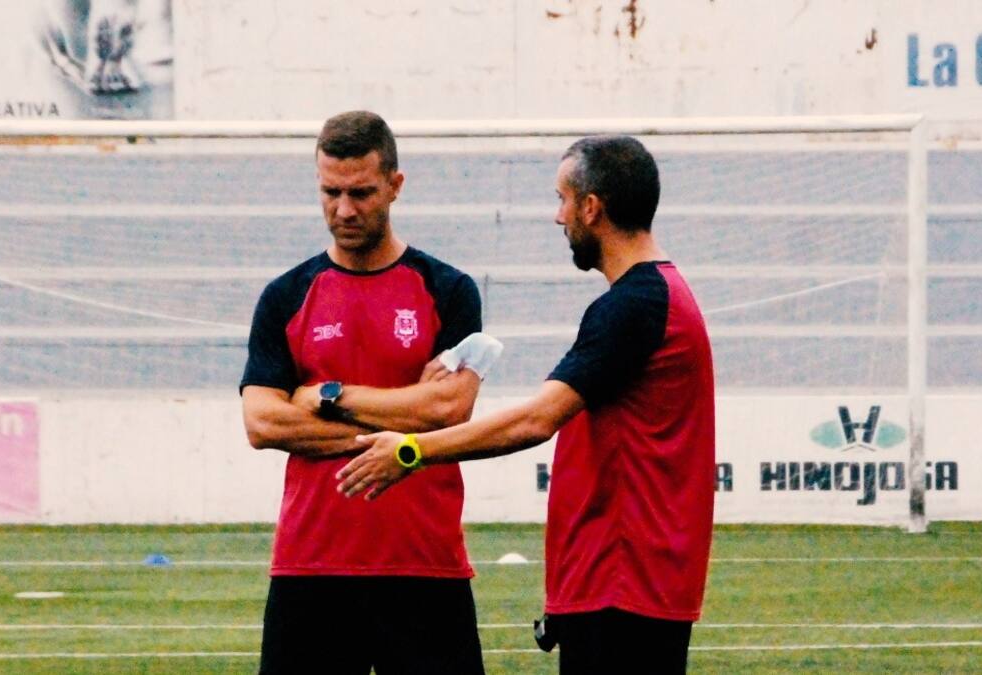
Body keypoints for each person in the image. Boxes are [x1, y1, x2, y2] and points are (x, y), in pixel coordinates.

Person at [337, 135, 715, 675]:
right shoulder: (660, 295)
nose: (558, 216)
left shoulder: (635, 305)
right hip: (630, 582)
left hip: (623, 582)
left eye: (563, 199)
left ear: (591, 207)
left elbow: (536, 420)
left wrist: (410, 451)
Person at [239, 110, 487, 675]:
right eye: (331, 193)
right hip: (311, 568)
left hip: (424, 565)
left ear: (395, 185)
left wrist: (326, 396)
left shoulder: (449, 290)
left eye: (361, 193)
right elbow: (262, 423)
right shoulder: (285, 296)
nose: (344, 210)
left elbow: (449, 409)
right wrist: (397, 427)